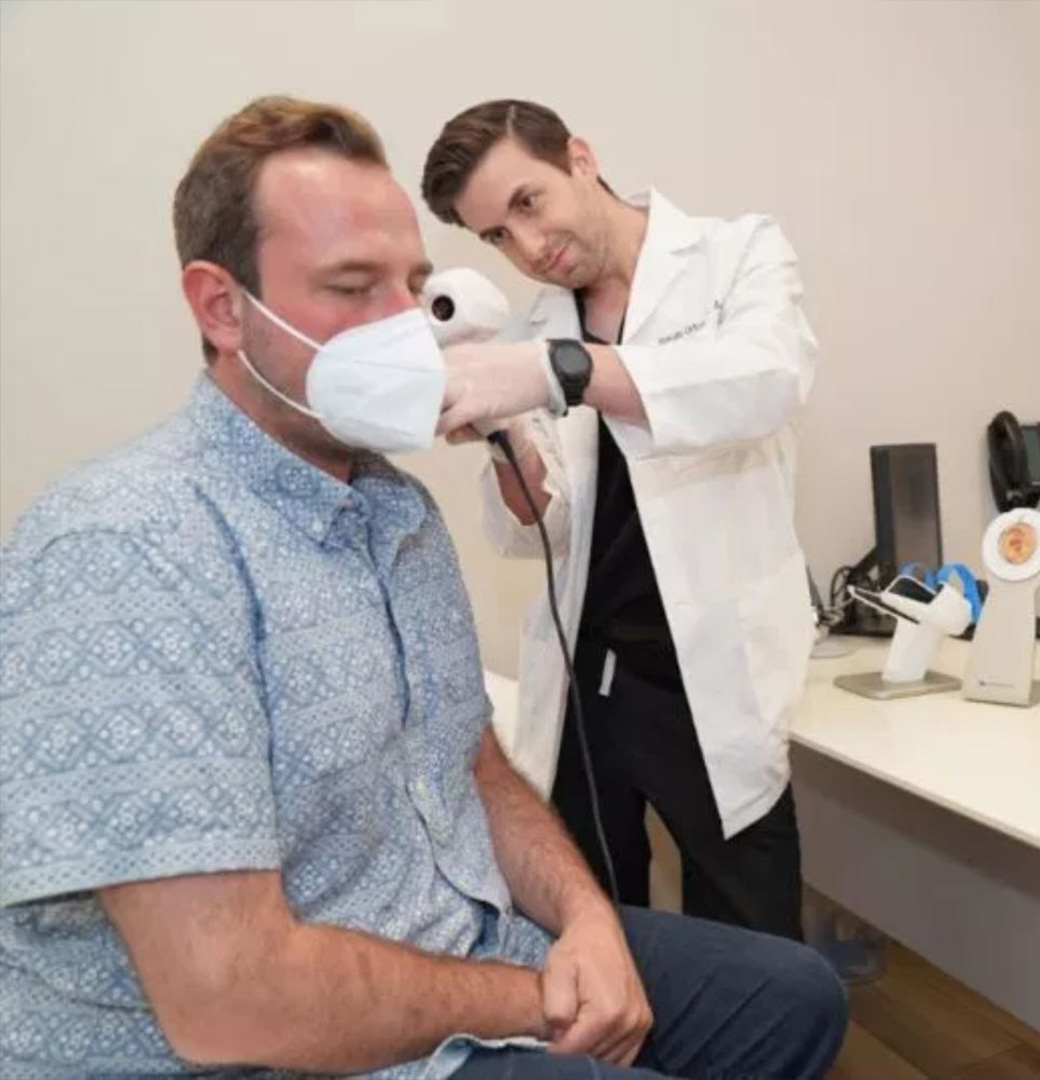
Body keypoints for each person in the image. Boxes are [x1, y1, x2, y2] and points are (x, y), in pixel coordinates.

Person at [0, 96, 845, 1080]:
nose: (400, 326)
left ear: (580, 157)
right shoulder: (130, 546)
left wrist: (587, 929)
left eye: (410, 287)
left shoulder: (396, 511)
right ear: (223, 307)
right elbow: (230, 996)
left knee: (793, 988)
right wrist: (522, 458)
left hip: (539, 838)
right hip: (297, 1021)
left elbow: (764, 377)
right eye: (352, 285)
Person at [422, 100, 817, 940]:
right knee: (599, 928)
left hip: (710, 673)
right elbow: (542, 527)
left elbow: (766, 380)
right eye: (495, 236)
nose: (528, 249)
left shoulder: (734, 253)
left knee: (754, 935)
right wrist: (505, 441)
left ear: (580, 156)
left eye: (528, 204)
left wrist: (557, 371)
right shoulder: (537, 325)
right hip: (589, 678)